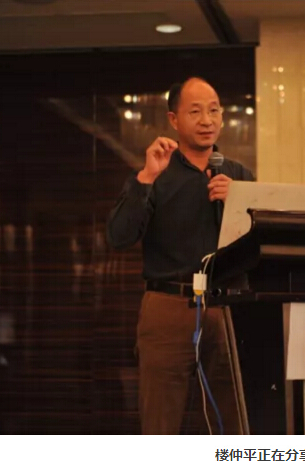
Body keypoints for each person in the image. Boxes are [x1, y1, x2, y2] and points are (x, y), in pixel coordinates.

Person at [107, 77, 254, 434]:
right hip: (169, 307)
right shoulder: (156, 172)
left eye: (214, 110)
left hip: (229, 309)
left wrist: (241, 202)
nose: (207, 120)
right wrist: (146, 177)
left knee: (235, 422)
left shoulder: (238, 176)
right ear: (173, 119)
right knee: (161, 422)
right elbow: (118, 237)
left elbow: (260, 245)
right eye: (195, 112)